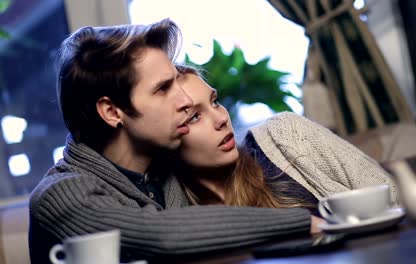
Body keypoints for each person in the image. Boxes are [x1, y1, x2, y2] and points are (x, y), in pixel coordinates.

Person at [28, 19, 320, 264]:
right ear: (111, 111)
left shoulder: (166, 166)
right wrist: (304, 222)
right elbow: (161, 235)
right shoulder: (60, 194)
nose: (184, 100)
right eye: (163, 89)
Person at [172, 66, 400, 214]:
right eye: (194, 117)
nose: (221, 118)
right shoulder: (177, 213)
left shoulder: (285, 134)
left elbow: (392, 196)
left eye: (214, 102)